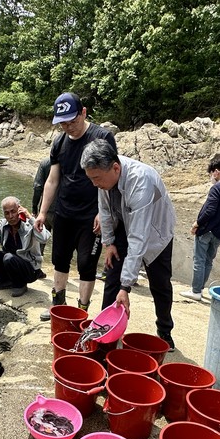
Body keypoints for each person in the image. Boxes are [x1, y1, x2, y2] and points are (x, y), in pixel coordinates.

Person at [81, 140, 177, 350]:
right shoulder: (103, 177)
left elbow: (139, 238)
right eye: (91, 179)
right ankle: (105, 334)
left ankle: (165, 330)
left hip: (155, 232)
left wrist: (126, 287)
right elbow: (104, 210)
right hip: (124, 224)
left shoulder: (141, 181)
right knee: (112, 274)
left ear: (115, 168)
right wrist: (109, 243)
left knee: (160, 285)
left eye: (96, 178)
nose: (94, 184)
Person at [34, 93, 117, 320]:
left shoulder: (102, 137)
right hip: (64, 212)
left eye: (73, 121)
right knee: (59, 259)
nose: (68, 127)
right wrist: (42, 212)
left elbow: (111, 177)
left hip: (91, 215)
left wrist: (104, 212)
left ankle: (81, 311)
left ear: (83, 112)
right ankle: (58, 306)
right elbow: (52, 180)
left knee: (86, 264)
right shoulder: (60, 142)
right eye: (63, 123)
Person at [180, 154, 220, 302]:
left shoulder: (217, 188)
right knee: (208, 261)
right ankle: (200, 289)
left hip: (207, 230)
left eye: (211, 173)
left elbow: (209, 210)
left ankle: (195, 291)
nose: (211, 177)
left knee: (199, 260)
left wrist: (197, 224)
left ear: (216, 171)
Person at [0, 196, 50, 297]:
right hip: (11, 262)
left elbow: (45, 238)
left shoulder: (28, 224)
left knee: (8, 257)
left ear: (19, 210)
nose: (11, 216)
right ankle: (6, 281)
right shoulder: (2, 224)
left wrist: (30, 217)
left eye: (13, 211)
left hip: (30, 269)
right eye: (7, 213)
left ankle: (20, 285)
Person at [31, 156, 55, 230]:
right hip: (60, 211)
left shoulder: (45, 162)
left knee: (41, 237)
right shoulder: (68, 162)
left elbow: (37, 188)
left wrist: (34, 209)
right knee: (59, 240)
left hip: (44, 209)